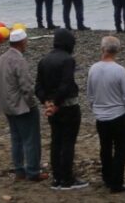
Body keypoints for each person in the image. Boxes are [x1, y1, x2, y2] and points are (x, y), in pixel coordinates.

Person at [35, 28, 89, 190]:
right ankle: (67, 179)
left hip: (52, 107)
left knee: (56, 141)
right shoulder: (68, 60)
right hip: (68, 107)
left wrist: (46, 102)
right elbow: (66, 85)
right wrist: (56, 104)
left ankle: (57, 177)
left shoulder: (44, 60)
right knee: (68, 143)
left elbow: (38, 86)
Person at [0, 28, 47, 182]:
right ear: (22, 42)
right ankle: (33, 171)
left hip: (7, 105)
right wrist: (32, 104)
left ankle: (19, 170)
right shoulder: (19, 60)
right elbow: (27, 86)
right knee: (31, 140)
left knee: (16, 139)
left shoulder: (2, 58)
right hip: (21, 106)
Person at [86, 35, 125, 193]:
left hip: (101, 115)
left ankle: (107, 177)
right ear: (117, 50)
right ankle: (116, 182)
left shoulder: (93, 68)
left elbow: (90, 94)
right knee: (121, 149)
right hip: (119, 114)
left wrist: (95, 108)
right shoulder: (119, 70)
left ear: (102, 49)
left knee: (105, 148)